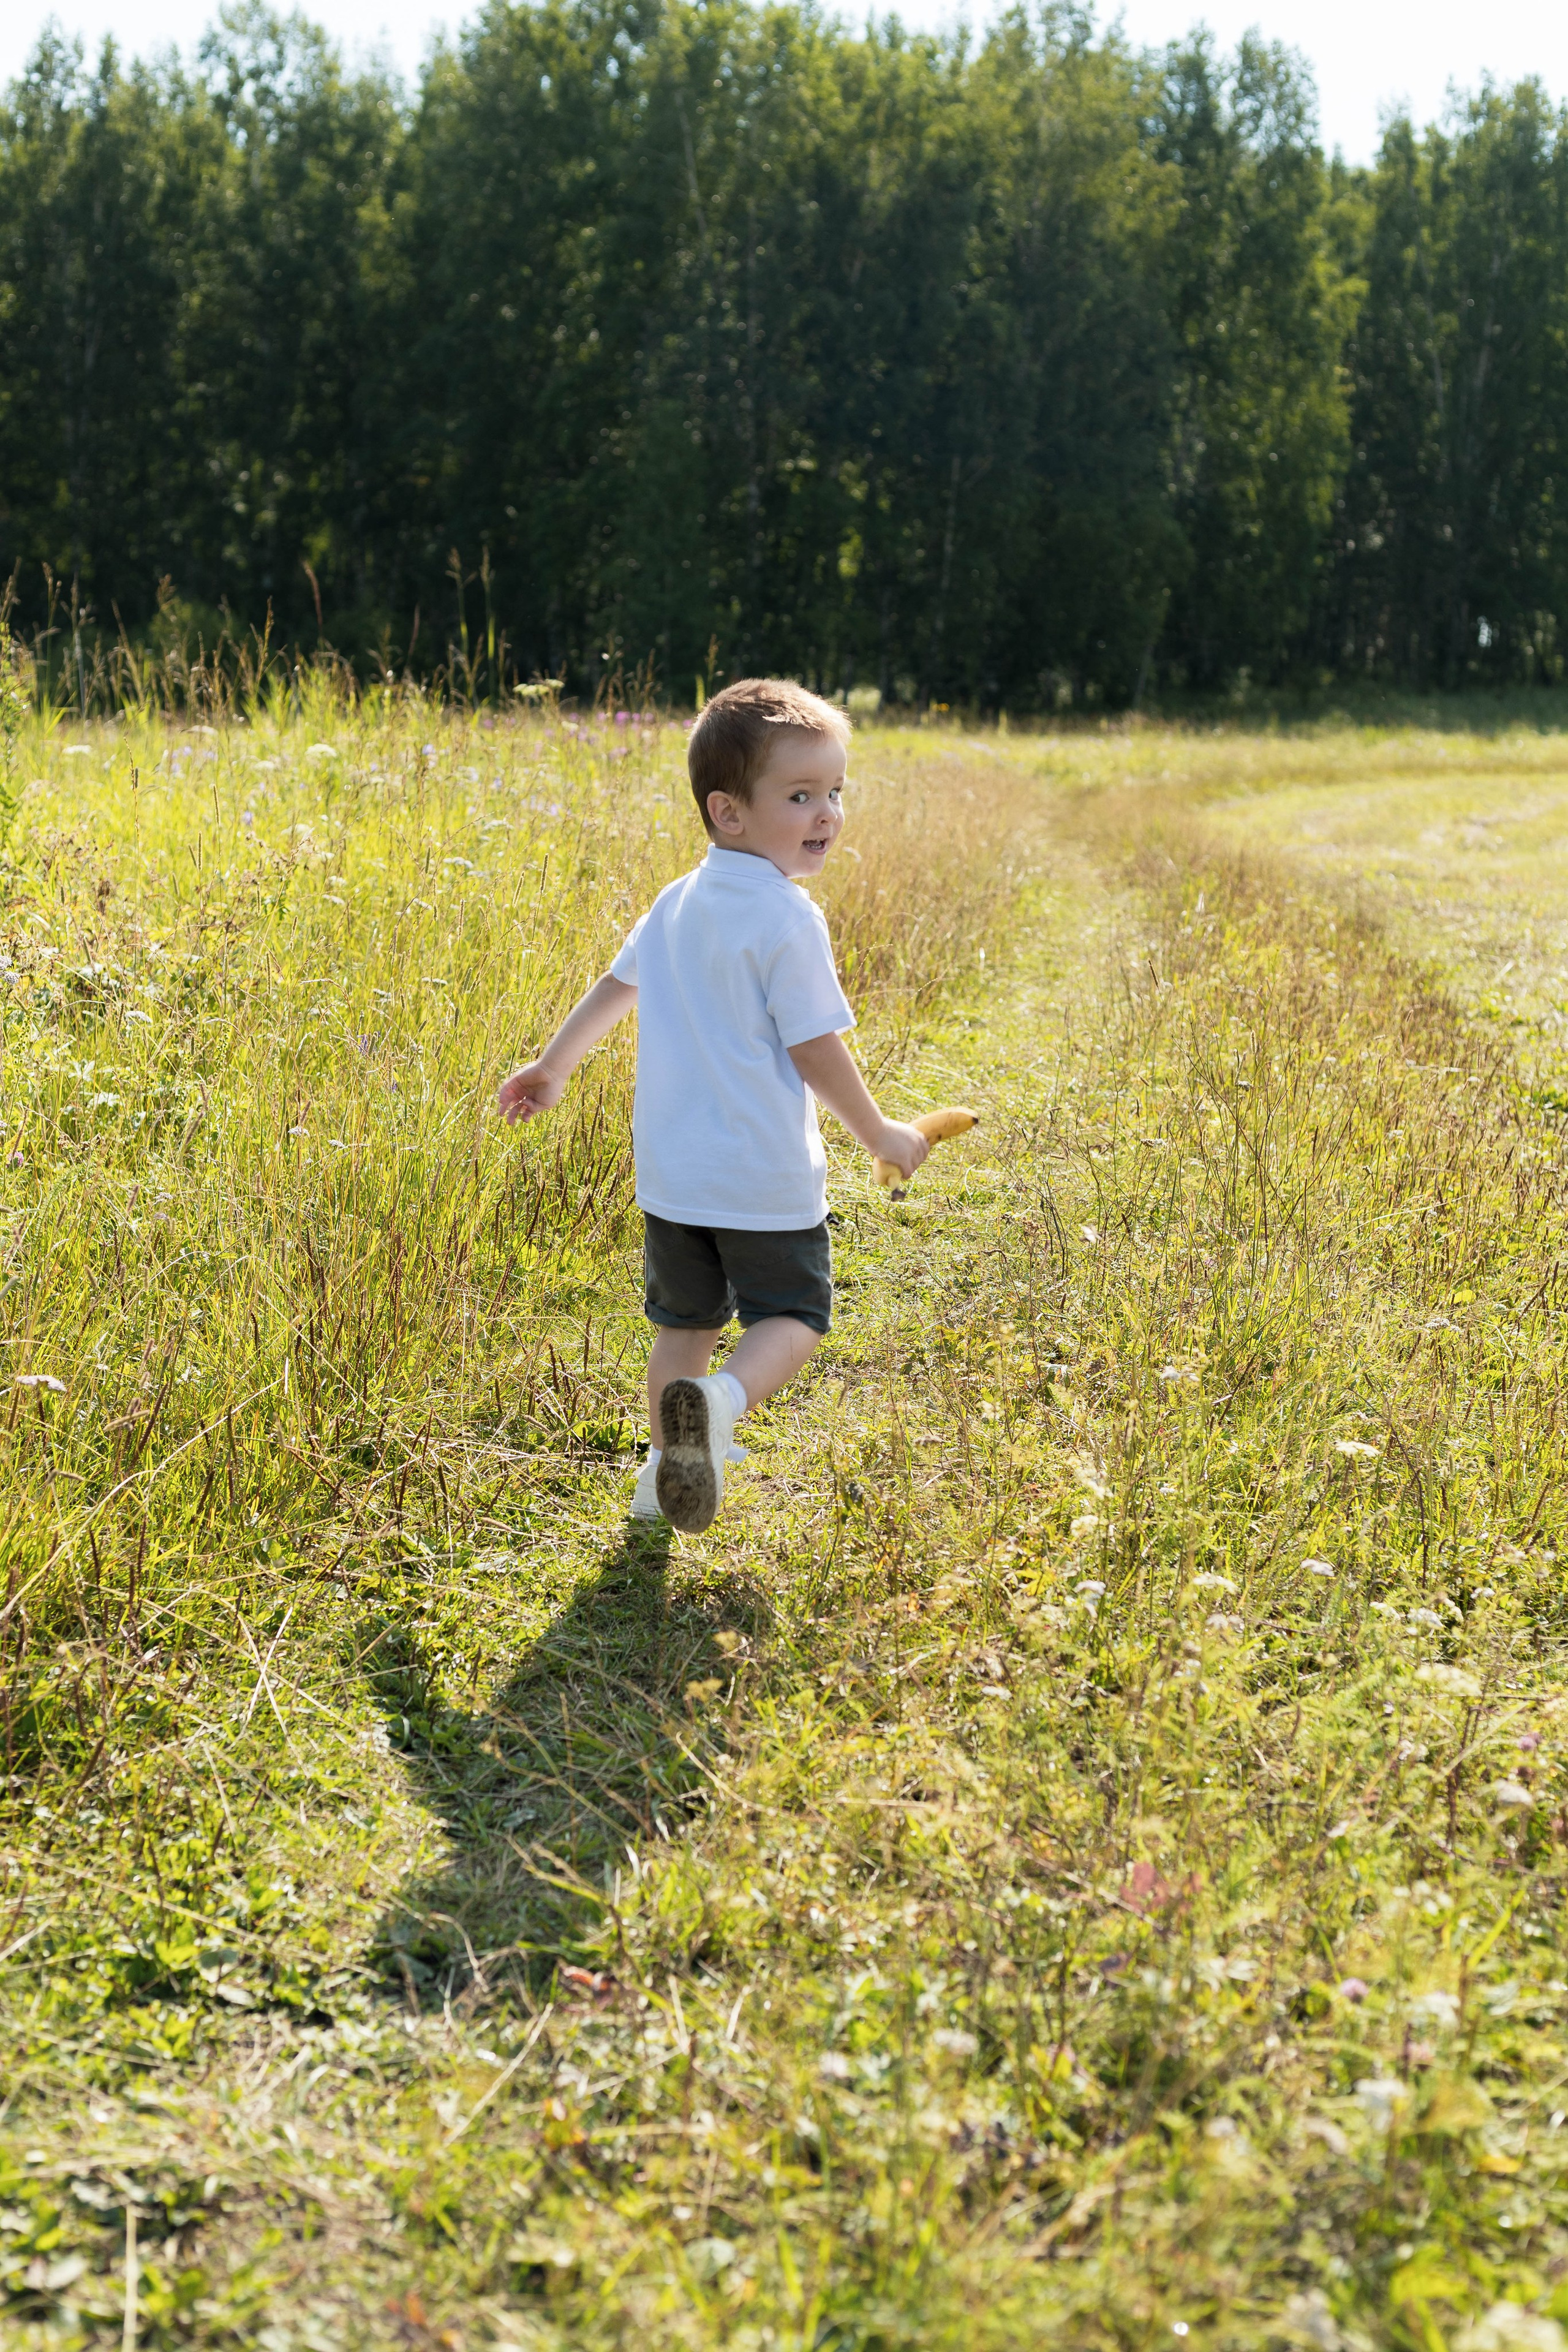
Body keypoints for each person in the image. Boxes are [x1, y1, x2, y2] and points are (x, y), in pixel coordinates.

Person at [496, 678, 928, 1532]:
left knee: (682, 1324)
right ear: (728, 813)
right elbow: (815, 1049)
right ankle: (723, 1404)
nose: (827, 814)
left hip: (673, 1175)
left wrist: (554, 1065)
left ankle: (663, 1479)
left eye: (835, 792)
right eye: (800, 796)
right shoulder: (787, 918)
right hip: (760, 1176)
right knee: (795, 1314)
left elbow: (616, 988)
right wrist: (878, 1131)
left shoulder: (676, 902)